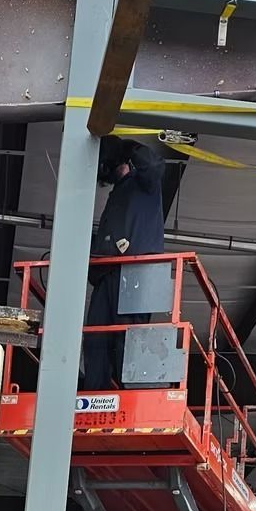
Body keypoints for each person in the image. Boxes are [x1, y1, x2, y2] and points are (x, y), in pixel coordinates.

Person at [80, 138, 165, 391]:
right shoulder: (117, 194)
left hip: (136, 275)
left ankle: (132, 396)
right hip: (107, 275)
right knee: (96, 338)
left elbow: (154, 165)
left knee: (128, 338)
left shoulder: (145, 184)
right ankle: (94, 395)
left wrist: (128, 147)